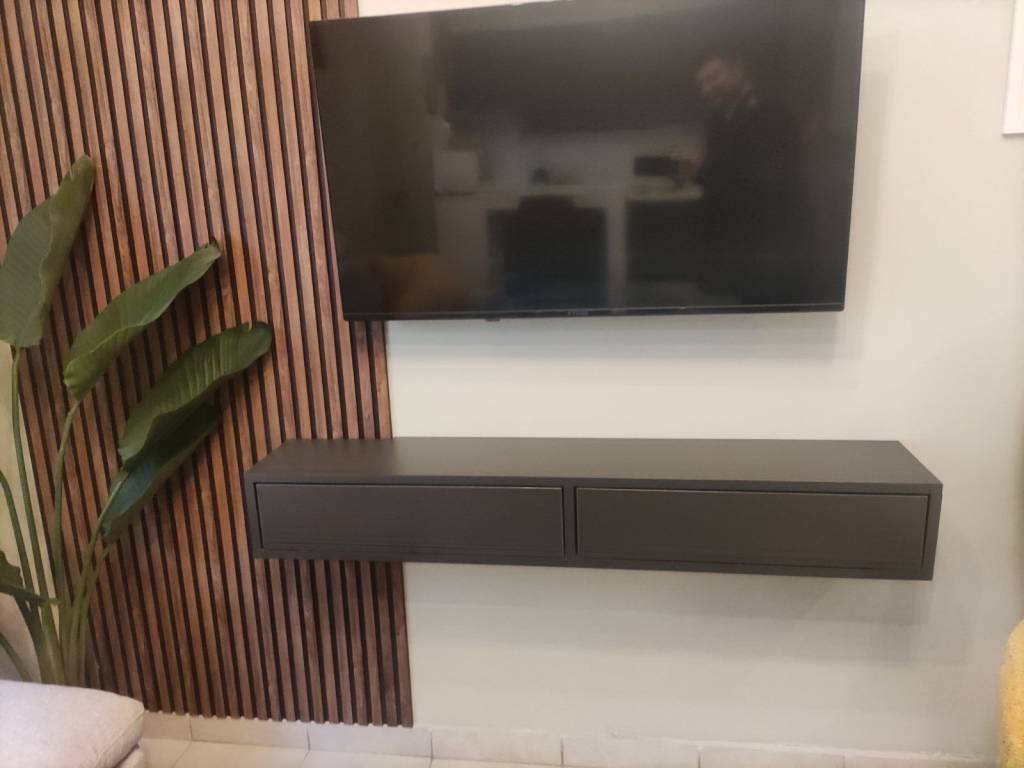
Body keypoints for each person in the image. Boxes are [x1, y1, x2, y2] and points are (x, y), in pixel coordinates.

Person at [681, 51, 802, 304]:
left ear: (738, 70)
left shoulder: (770, 112)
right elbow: (720, 167)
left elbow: (759, 178)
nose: (706, 89)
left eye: (713, 77)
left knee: (764, 308)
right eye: (701, 84)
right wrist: (701, 169)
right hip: (734, 236)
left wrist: (701, 171)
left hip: (764, 236)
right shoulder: (718, 117)